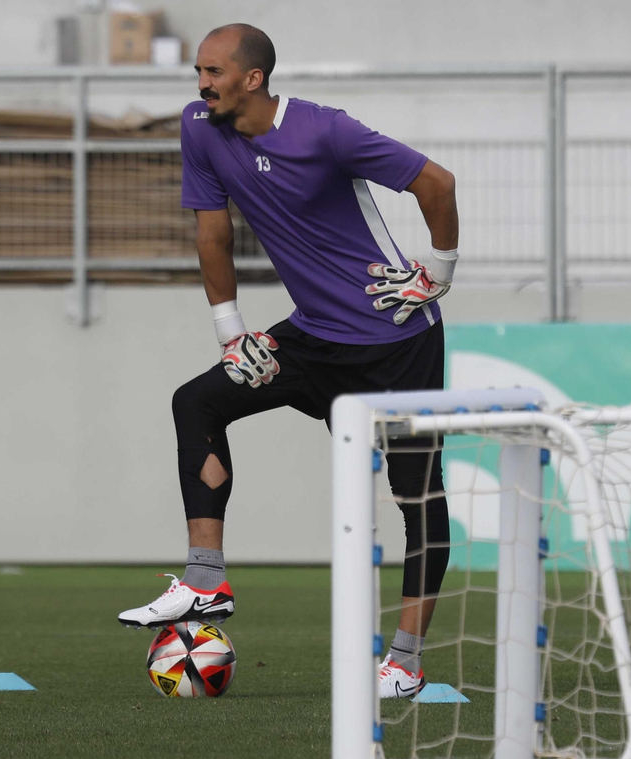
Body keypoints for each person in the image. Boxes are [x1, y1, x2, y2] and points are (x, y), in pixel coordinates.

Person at [115, 23, 460, 700]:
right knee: (199, 401)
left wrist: (437, 271)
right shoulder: (199, 127)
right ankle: (206, 581)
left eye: (214, 71)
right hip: (312, 339)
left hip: (395, 341)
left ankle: (407, 661)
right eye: (197, 71)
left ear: (253, 79)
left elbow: (437, 184)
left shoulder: (325, 131)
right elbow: (211, 232)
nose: (201, 83)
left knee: (415, 496)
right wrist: (230, 331)